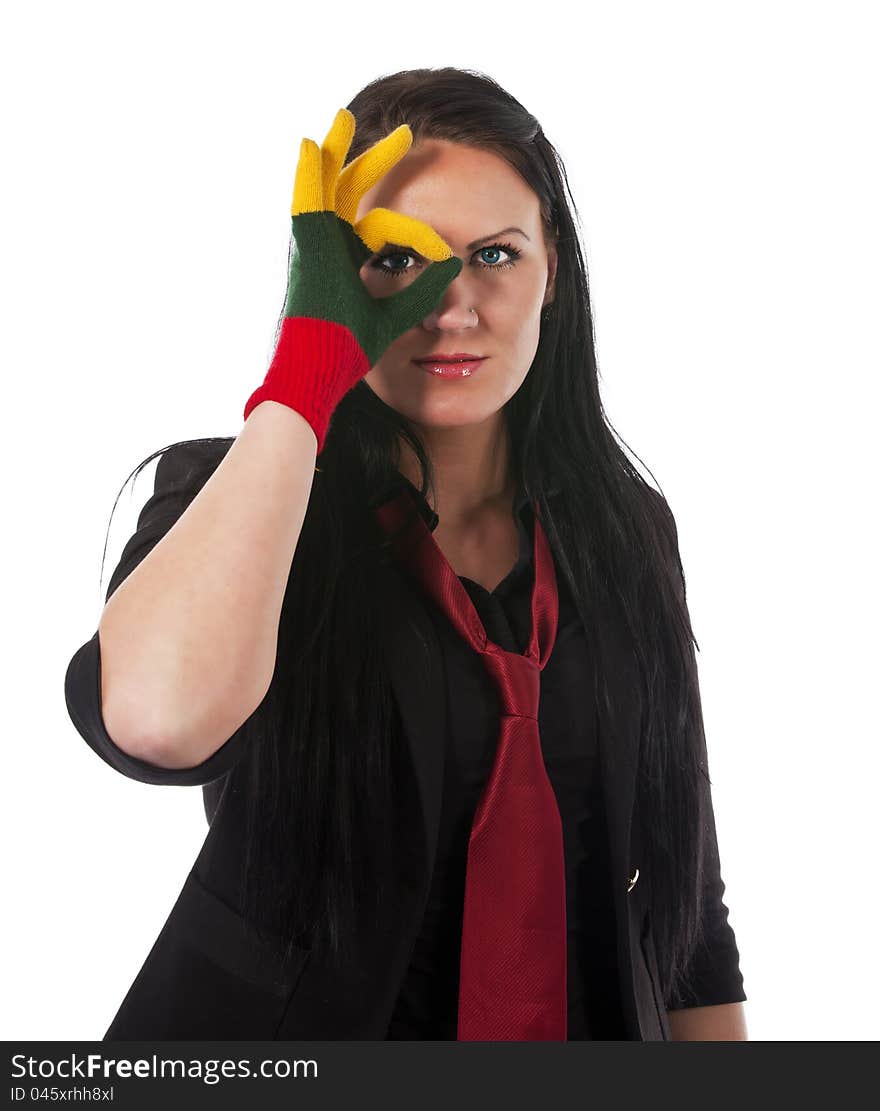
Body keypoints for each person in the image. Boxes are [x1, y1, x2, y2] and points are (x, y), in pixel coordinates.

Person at [64, 67, 747, 1041]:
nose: (450, 307)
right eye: (395, 260)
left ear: (553, 263)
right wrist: (304, 377)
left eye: (495, 255)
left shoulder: (629, 531)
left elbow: (684, 902)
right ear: (332, 278)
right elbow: (157, 722)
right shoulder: (239, 498)